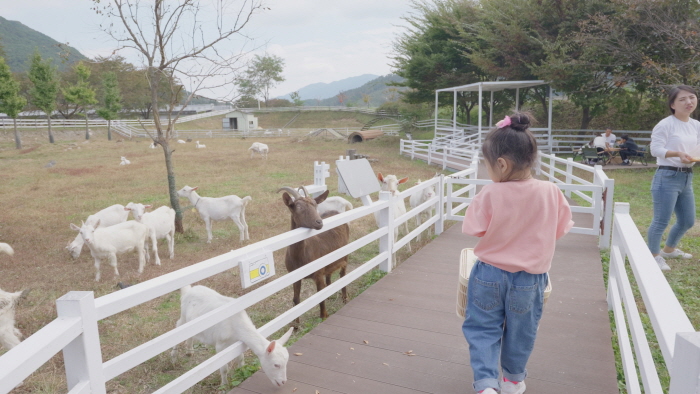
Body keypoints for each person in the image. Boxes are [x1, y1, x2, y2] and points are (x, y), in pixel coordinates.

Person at [461, 112, 574, 394]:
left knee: (483, 329)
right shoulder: (551, 191)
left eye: (487, 165)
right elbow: (559, 230)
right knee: (521, 331)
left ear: (501, 163)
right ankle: (512, 381)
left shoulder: (489, 193)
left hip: (488, 274)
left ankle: (486, 384)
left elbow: (475, 229)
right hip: (530, 278)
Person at [648, 85, 700, 271]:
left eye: (692, 98)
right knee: (661, 220)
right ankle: (653, 255)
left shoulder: (696, 125)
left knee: (687, 220)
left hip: (686, 177)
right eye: (682, 99)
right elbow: (655, 150)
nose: (689, 102)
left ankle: (669, 250)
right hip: (667, 176)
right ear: (672, 104)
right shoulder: (665, 124)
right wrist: (677, 153)